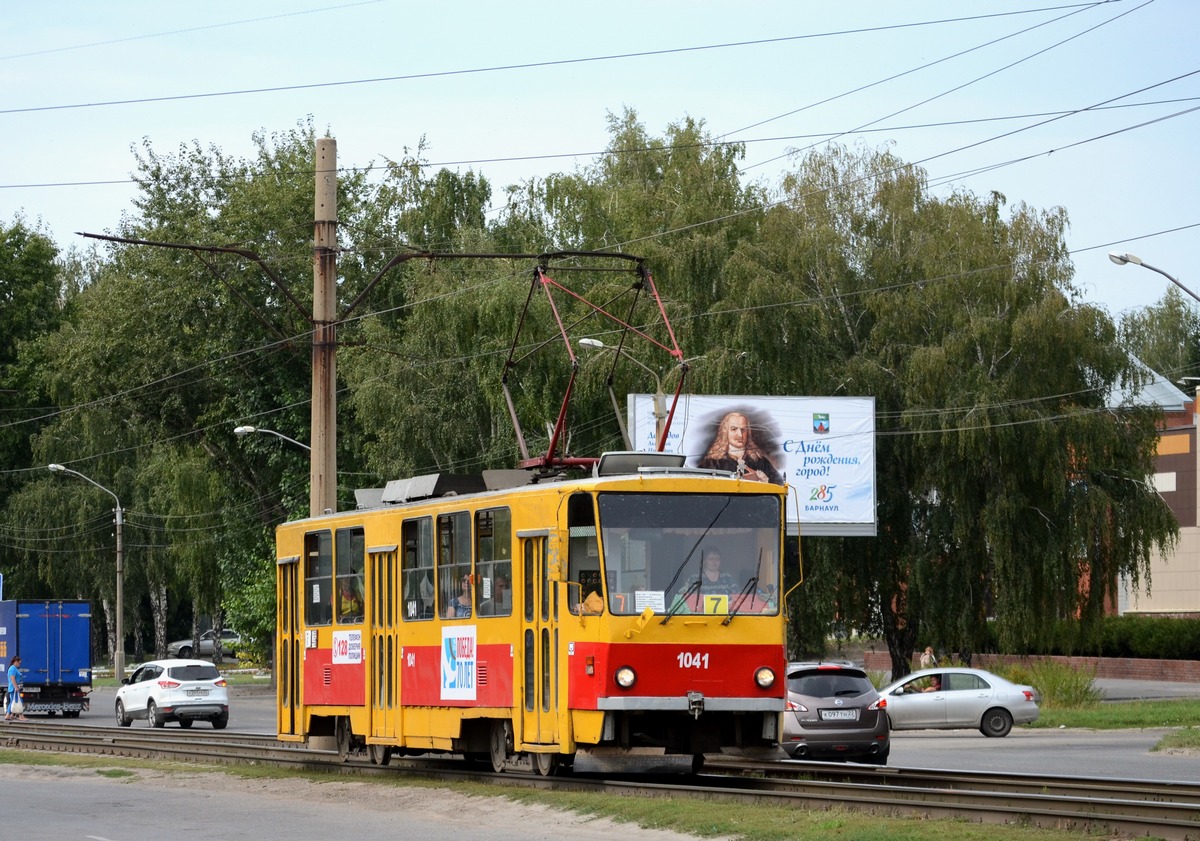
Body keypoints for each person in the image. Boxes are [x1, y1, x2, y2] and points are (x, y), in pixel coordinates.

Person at [696, 411, 783, 483]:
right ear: (725, 432)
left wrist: (762, 480)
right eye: (734, 429)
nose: (740, 435)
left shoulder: (759, 460)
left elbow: (779, 483)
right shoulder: (712, 462)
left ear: (748, 432)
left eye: (743, 430)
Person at [5, 655, 26, 722]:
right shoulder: (13, 668)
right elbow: (12, 678)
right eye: (19, 663)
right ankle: (20, 716)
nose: (19, 665)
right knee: (18, 701)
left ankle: (8, 715)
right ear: (15, 662)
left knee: (13, 701)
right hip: (14, 688)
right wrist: (16, 687)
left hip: (13, 688)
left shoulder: (13, 668)